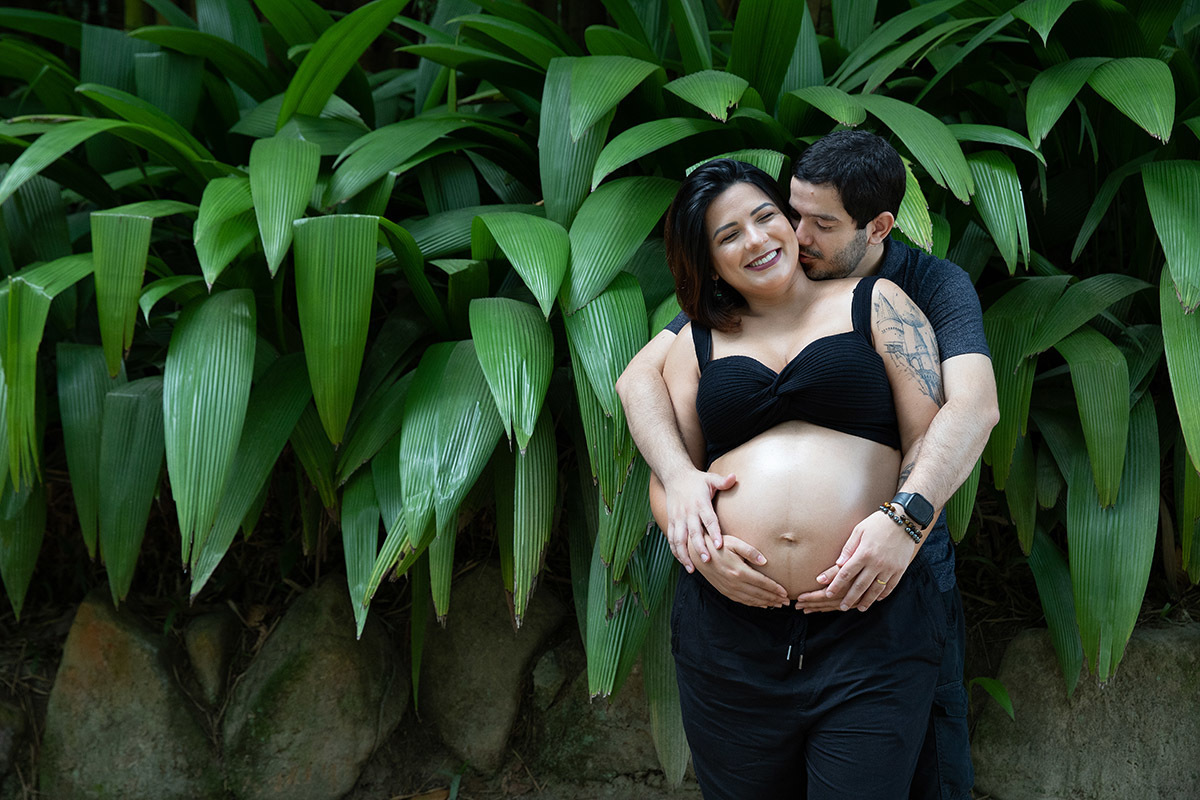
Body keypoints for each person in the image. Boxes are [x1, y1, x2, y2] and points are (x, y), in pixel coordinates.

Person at [617, 131, 998, 799]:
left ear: (875, 228)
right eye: (787, 212)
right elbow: (655, 423)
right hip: (733, 628)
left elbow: (961, 416)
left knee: (934, 772)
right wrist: (695, 533)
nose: (787, 234)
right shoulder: (704, 329)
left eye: (812, 223)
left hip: (882, 587)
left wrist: (901, 523)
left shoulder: (905, 291)